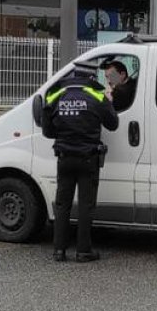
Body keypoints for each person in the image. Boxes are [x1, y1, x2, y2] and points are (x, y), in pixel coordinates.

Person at [42, 60, 119, 262]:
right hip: (88, 159)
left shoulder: (56, 95)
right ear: (91, 77)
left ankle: (59, 250)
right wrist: (109, 101)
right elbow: (113, 124)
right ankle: (83, 251)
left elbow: (48, 131)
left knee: (62, 205)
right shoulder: (96, 96)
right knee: (86, 205)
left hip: (64, 158)